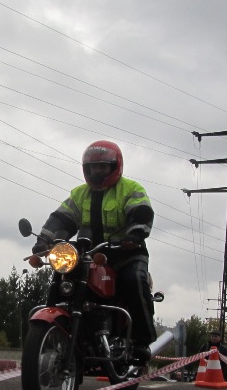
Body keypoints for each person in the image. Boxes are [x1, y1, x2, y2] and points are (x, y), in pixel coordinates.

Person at [35, 140, 156, 362]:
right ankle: (54, 333)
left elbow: (141, 212)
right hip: (89, 256)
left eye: (103, 166)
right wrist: (45, 239)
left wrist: (135, 234)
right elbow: (61, 217)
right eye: (93, 167)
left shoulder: (131, 189)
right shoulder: (80, 194)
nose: (97, 171)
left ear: (115, 166)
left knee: (134, 281)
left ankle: (141, 341)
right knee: (61, 274)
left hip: (125, 254)